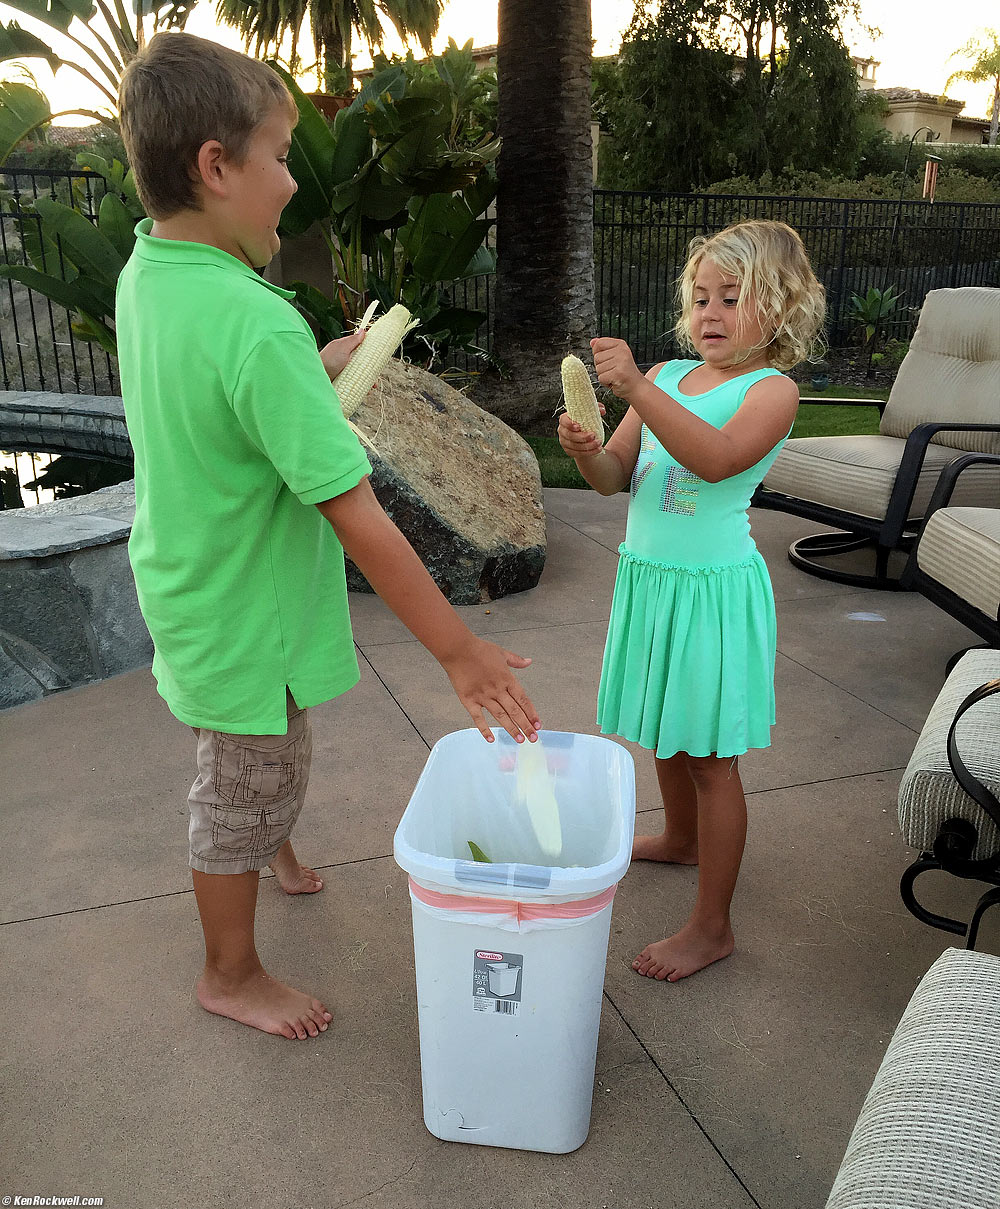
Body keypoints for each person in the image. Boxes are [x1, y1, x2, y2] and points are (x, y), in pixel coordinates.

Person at [116, 32, 541, 1040]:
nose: (293, 179)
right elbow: (356, 512)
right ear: (216, 166)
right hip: (246, 611)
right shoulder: (254, 323)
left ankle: (277, 847)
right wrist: (460, 651)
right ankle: (230, 971)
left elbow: (221, 396)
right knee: (240, 786)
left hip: (191, 581)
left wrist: (312, 367)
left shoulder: (152, 271)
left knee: (252, 755)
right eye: (278, 155)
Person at [558, 220, 825, 982]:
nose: (710, 313)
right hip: (652, 581)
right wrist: (587, 451)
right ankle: (681, 839)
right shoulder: (671, 376)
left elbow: (716, 460)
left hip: (710, 594)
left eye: (732, 298)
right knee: (665, 731)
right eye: (702, 297)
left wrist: (638, 388)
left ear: (781, 306)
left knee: (710, 757)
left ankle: (713, 927)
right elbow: (616, 477)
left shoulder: (770, 392)